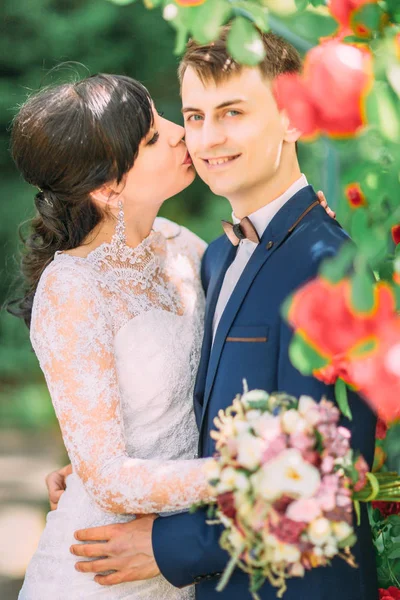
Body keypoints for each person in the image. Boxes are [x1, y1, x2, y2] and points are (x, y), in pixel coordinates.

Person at [60, 27, 378, 600]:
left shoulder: (331, 267)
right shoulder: (215, 256)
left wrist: (166, 546)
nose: (208, 138)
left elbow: (325, 477)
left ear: (292, 119)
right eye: (196, 116)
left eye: (232, 112)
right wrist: (107, 468)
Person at [11, 73, 218, 600]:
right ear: (106, 188)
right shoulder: (72, 288)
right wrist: (242, 479)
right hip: (98, 569)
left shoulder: (184, 246)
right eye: (152, 138)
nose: (179, 133)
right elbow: (105, 476)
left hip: (175, 559)